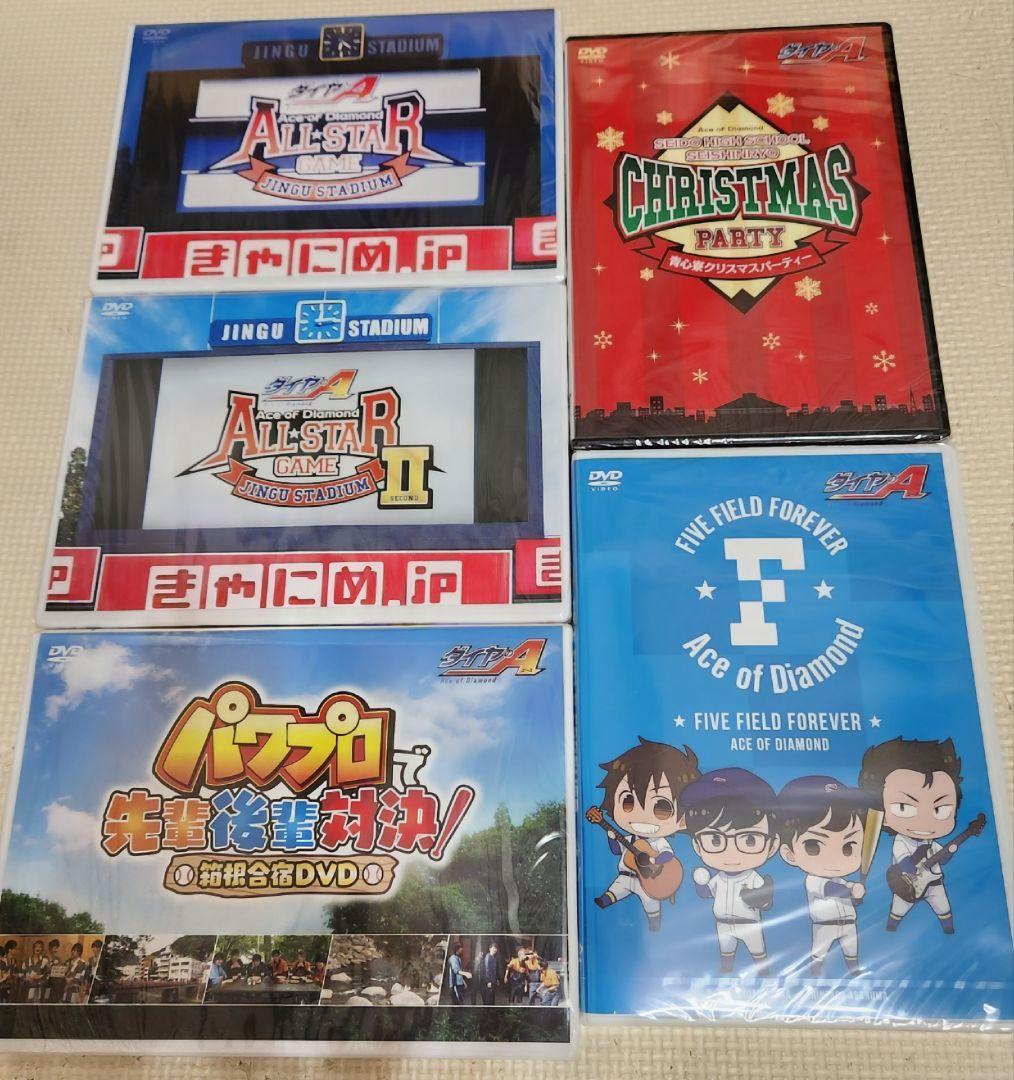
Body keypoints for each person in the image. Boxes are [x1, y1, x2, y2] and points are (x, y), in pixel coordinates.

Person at [859, 737, 967, 934]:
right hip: (908, 884)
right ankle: (890, 931)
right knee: (898, 910)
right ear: (882, 814)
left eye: (940, 809)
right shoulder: (901, 841)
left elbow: (942, 859)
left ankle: (950, 933)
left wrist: (950, 851)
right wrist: (919, 855)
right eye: (903, 807)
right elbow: (904, 865)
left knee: (944, 908)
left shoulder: (930, 840)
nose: (925, 821)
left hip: (934, 883)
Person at [591, 739, 700, 931]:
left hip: (649, 881)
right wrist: (611, 836)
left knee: (650, 901)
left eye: (661, 807)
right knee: (617, 887)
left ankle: (655, 924)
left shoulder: (658, 841)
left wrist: (653, 859)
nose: (640, 814)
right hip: (626, 876)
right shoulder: (629, 839)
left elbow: (668, 855)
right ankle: (604, 902)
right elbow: (617, 851)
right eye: (628, 802)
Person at [683, 768, 779, 975]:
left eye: (750, 839)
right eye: (715, 839)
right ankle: (726, 974)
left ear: (772, 845)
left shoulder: (753, 877)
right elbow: (707, 893)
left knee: (758, 953)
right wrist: (700, 883)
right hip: (723, 924)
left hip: (749, 924)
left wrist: (759, 898)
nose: (732, 852)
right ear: (697, 846)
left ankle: (765, 975)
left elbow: (765, 901)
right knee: (726, 955)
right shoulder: (718, 878)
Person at [778, 776, 870, 977]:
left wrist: (858, 894)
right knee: (818, 956)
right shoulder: (814, 880)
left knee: (852, 953)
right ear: (790, 854)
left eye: (848, 847)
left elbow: (852, 897)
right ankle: (814, 976)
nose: (835, 858)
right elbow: (832, 890)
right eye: (814, 846)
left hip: (848, 924)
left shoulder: (841, 879)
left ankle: (855, 973)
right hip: (824, 926)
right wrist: (852, 891)